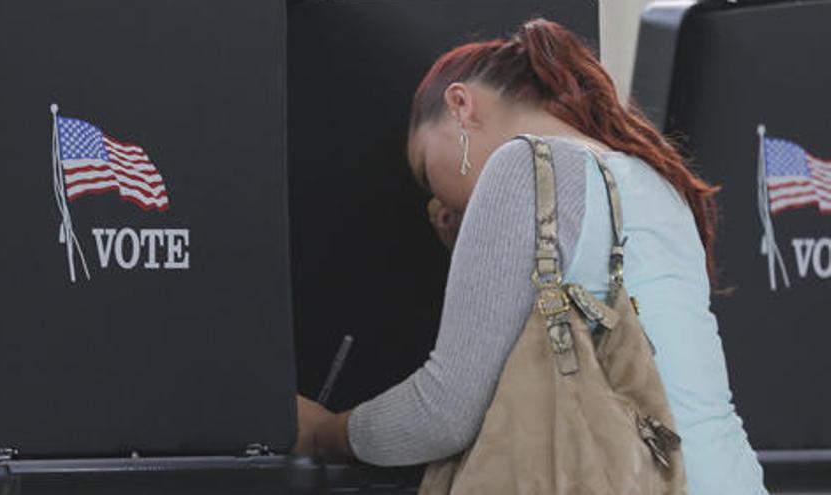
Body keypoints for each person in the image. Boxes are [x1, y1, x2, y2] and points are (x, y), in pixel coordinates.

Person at [294, 17, 768, 494]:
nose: (435, 201)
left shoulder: (524, 165)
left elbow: (445, 411)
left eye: (424, 169)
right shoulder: (651, 176)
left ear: (460, 105)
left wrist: (323, 433)